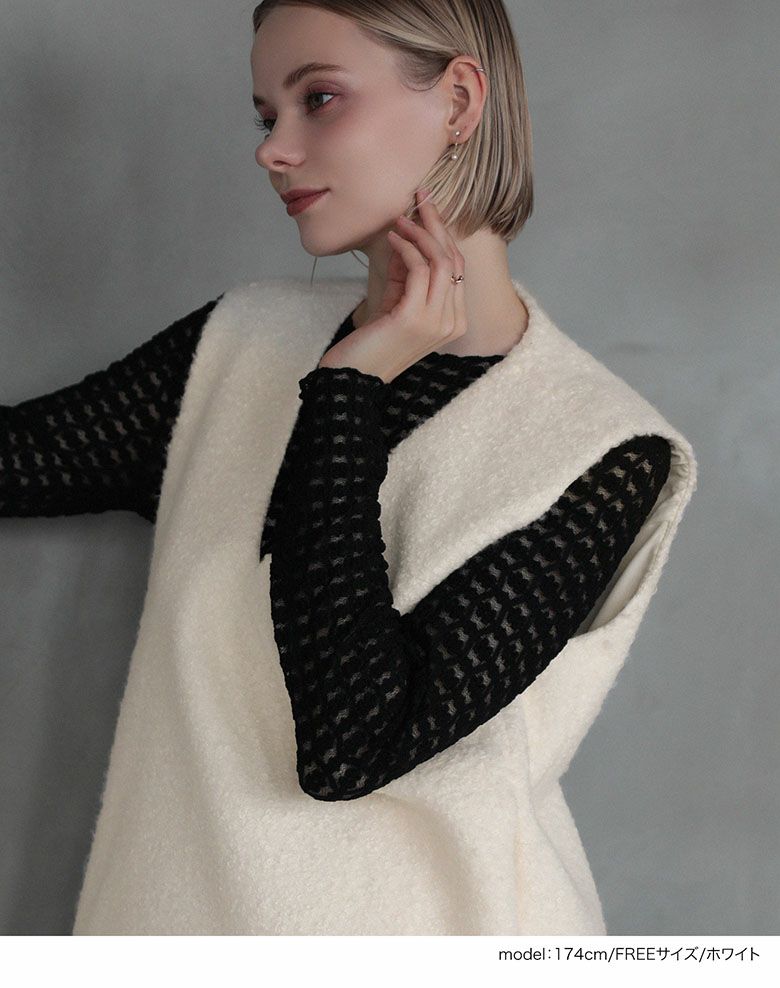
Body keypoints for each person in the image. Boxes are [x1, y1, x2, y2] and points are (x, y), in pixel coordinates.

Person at [1, 1, 697, 935]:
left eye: (319, 99)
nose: (272, 149)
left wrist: (348, 390)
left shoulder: (599, 448)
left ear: (459, 101)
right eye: (265, 115)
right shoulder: (236, 345)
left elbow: (347, 748)